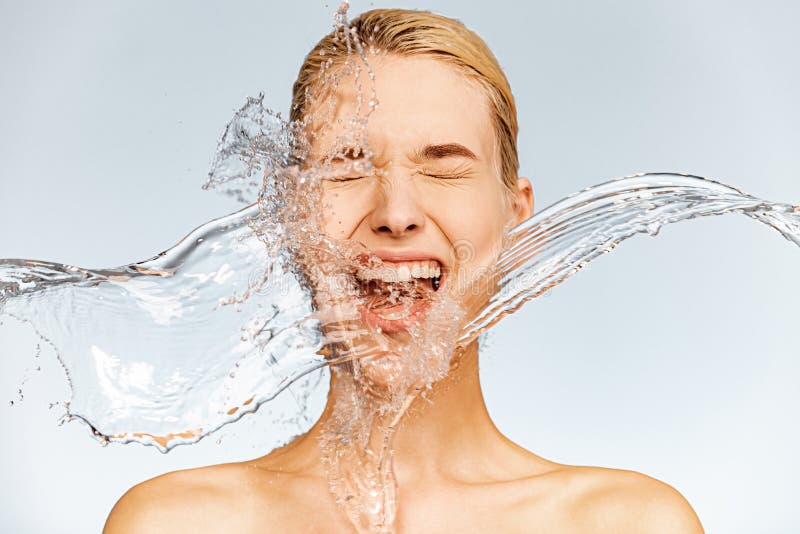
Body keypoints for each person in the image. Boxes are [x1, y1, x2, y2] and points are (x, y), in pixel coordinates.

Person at [104, 8, 704, 533]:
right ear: (290, 214)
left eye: (443, 166)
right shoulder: (175, 525)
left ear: (514, 213)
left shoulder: (629, 525)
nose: (395, 213)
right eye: (346, 165)